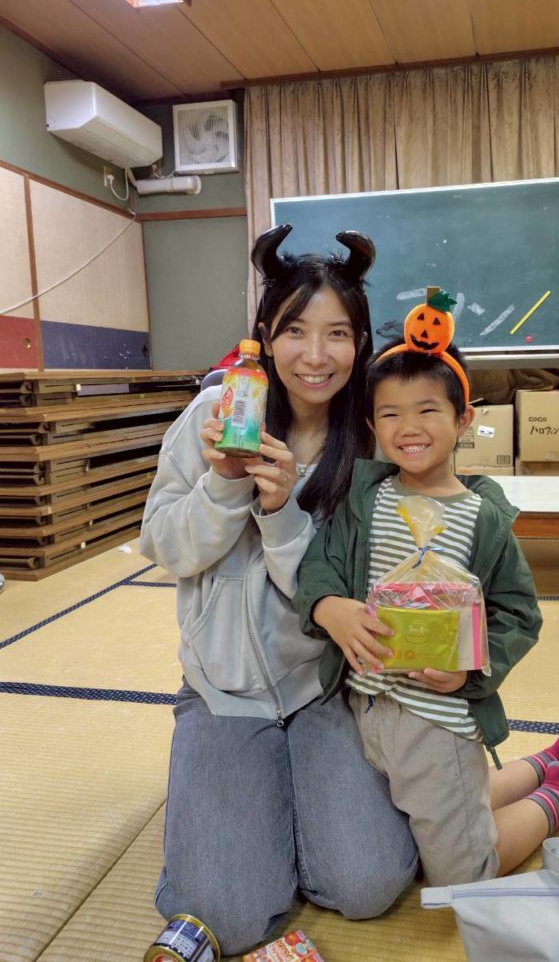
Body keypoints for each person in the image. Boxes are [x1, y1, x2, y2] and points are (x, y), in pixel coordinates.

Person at [139, 224, 418, 956]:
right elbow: (165, 547)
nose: (315, 355)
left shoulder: (367, 446)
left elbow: (352, 593)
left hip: (321, 690)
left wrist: (283, 512)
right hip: (222, 693)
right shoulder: (212, 416)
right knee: (225, 918)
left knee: (368, 884)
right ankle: (244, 813)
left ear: (360, 343)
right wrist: (224, 486)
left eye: (337, 334)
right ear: (265, 336)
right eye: (295, 330)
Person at [296, 297, 559, 887]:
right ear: (371, 425)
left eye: (427, 410)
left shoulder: (482, 518)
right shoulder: (365, 501)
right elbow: (321, 565)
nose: (409, 428)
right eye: (390, 414)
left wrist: (469, 669)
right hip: (361, 711)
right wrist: (328, 606)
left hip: (437, 721)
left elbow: (519, 614)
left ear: (464, 419)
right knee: (433, 813)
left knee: (461, 872)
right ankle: (546, 762)